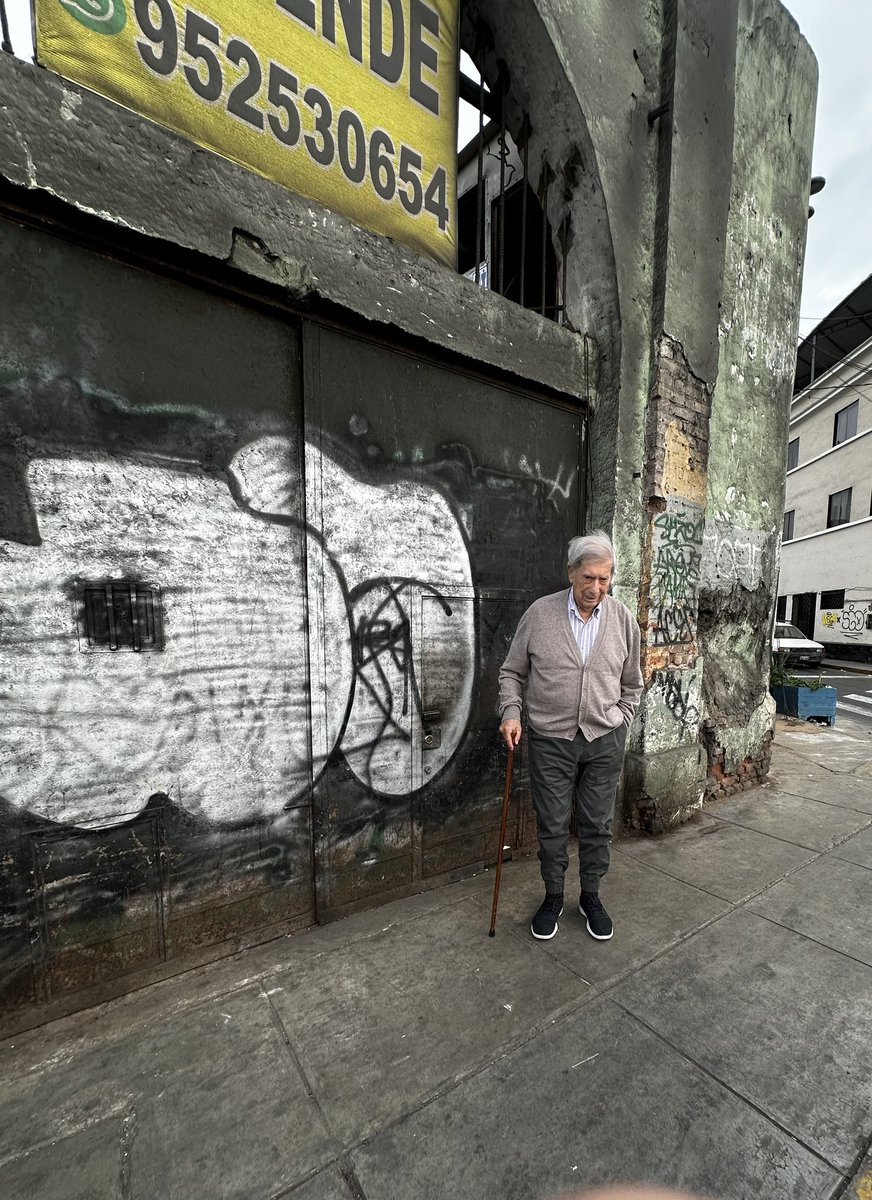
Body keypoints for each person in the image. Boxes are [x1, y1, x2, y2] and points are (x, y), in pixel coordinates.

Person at [498, 532, 643, 941]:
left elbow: (633, 683)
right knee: (553, 824)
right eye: (588, 578)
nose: (596, 588)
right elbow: (512, 672)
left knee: (598, 824)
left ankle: (591, 896)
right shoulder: (540, 615)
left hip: (604, 738)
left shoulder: (623, 620)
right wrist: (511, 712)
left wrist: (622, 717)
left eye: (604, 579)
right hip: (550, 739)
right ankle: (554, 895)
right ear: (571, 573)